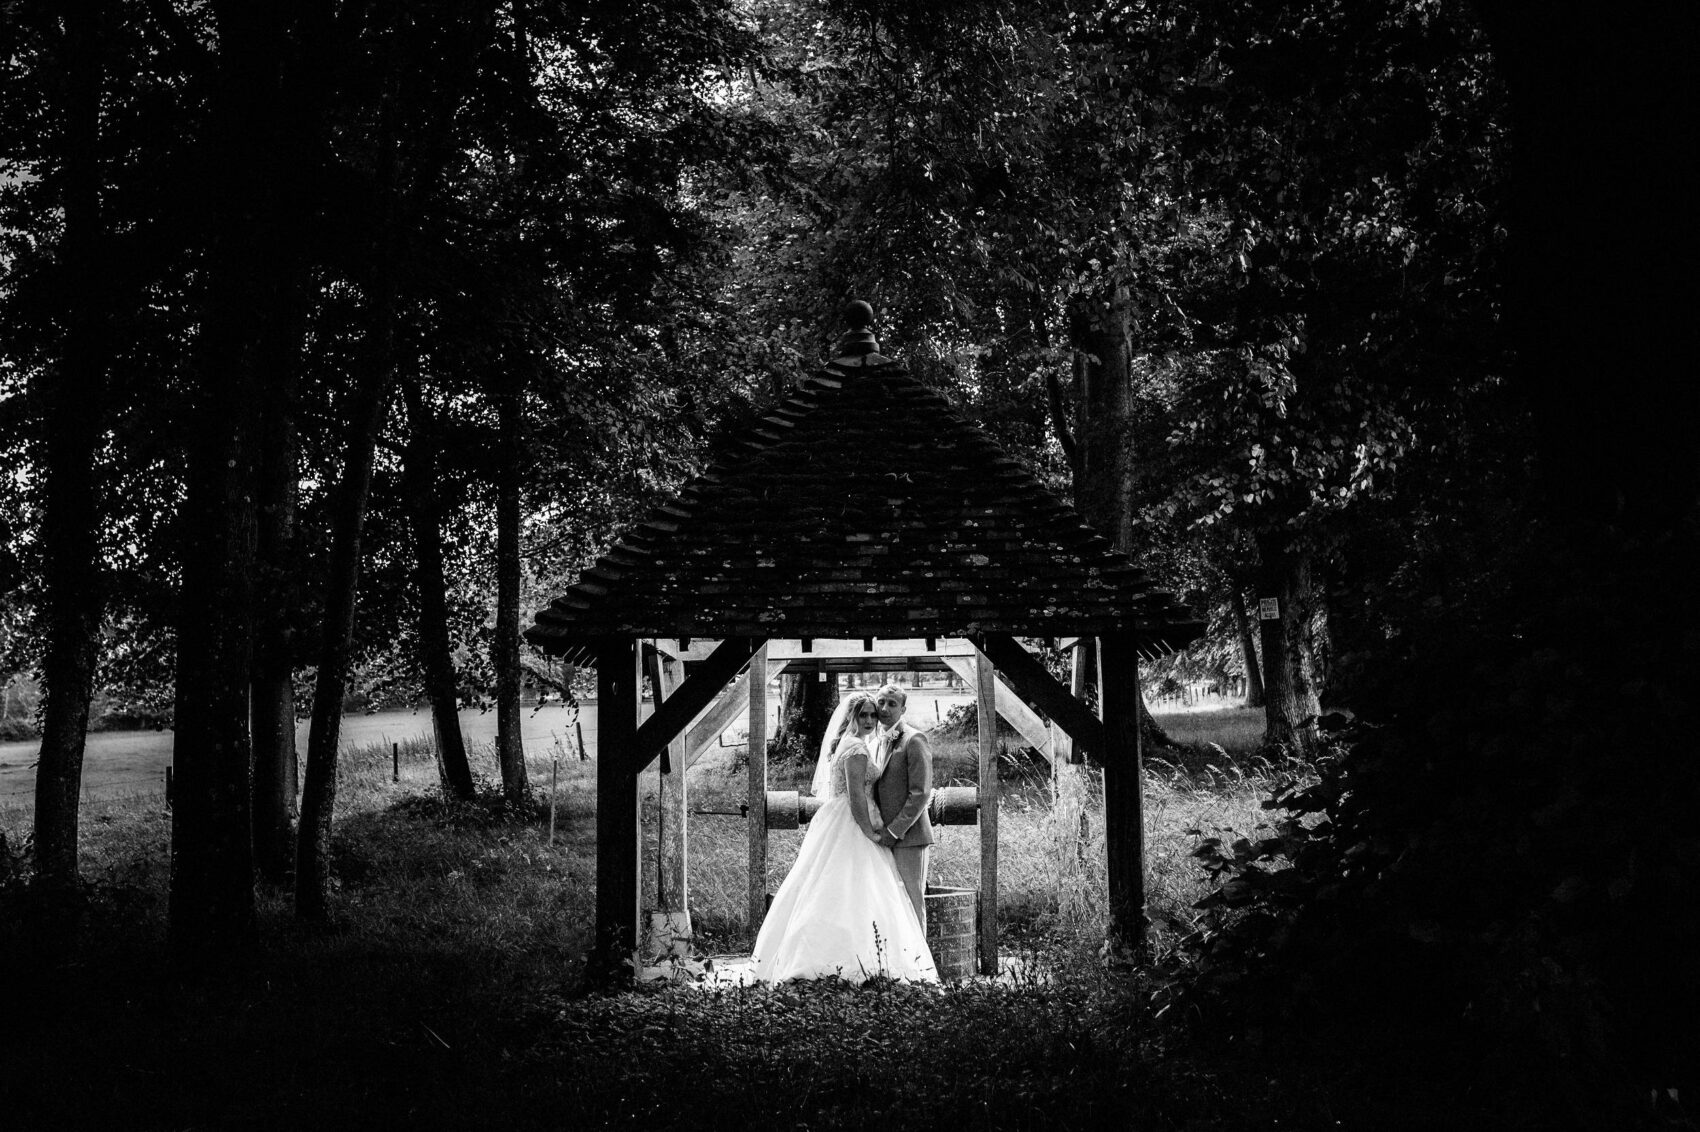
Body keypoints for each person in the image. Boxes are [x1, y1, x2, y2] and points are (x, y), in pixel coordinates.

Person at [750, 691, 938, 983]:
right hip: (854, 824)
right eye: (865, 714)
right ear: (851, 717)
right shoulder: (858, 748)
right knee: (849, 891)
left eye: (874, 714)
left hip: (903, 832)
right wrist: (870, 831)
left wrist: (886, 829)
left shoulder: (902, 740)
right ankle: (858, 959)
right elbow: (856, 798)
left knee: (900, 897)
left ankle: (913, 959)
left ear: (902, 708)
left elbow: (921, 793)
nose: (872, 718)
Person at [870, 683, 935, 931]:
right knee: (889, 902)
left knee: (912, 899)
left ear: (903, 708)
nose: (884, 708)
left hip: (909, 836)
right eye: (881, 702)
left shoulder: (914, 739)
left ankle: (921, 965)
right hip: (881, 836)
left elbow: (921, 793)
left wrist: (894, 830)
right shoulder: (876, 741)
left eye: (892, 704)